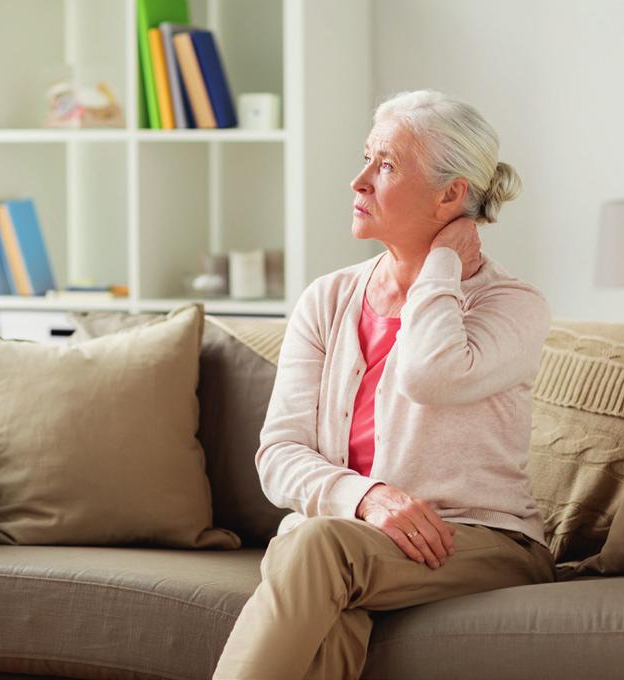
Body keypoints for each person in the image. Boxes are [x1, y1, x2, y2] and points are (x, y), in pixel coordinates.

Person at [212, 89, 555, 680]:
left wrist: (441, 266)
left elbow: (430, 373)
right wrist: (365, 498)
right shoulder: (328, 298)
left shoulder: (512, 305)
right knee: (323, 593)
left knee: (314, 548)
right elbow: (279, 455)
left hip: (484, 543)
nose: (359, 181)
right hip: (354, 540)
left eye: (386, 165)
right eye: (366, 158)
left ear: (451, 195)